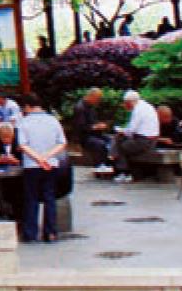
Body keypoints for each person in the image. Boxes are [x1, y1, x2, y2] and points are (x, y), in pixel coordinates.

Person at [16, 94, 67, 243]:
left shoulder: (23, 122)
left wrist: (38, 158)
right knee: (49, 197)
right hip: (51, 163)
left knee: (31, 198)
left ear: (27, 106)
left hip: (32, 165)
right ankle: (50, 232)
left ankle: (30, 233)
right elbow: (62, 142)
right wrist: (46, 157)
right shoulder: (53, 121)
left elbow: (23, 145)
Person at [110, 89, 160, 182]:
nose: (124, 105)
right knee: (119, 140)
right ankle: (120, 167)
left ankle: (123, 171)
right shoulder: (146, 106)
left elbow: (131, 131)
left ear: (129, 102)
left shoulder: (138, 110)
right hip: (151, 140)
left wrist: (121, 131)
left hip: (144, 141)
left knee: (120, 144)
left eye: (125, 103)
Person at [74, 88, 113, 173]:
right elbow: (81, 127)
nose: (98, 101)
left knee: (111, 139)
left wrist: (99, 125)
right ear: (91, 96)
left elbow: (93, 121)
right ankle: (100, 164)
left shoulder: (91, 106)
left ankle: (109, 162)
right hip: (85, 136)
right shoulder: (80, 108)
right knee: (100, 143)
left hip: (94, 134)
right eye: (98, 98)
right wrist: (96, 127)